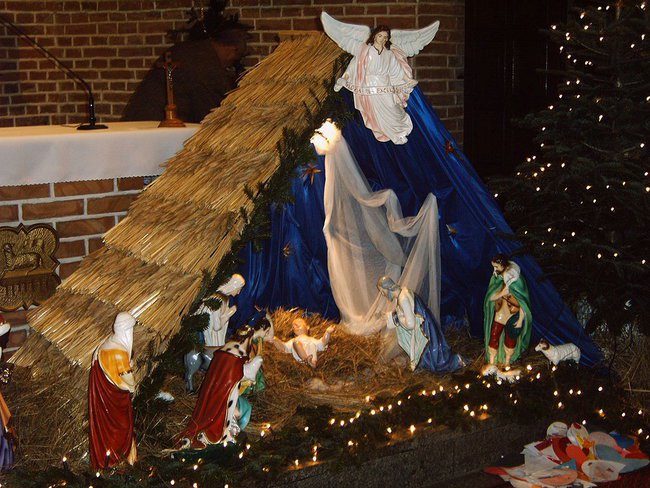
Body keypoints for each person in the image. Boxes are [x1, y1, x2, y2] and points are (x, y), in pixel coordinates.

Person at [321, 12, 439, 145]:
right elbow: (355, 64)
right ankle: (392, 136)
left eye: (385, 37)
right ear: (374, 36)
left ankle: (399, 131)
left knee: (393, 109)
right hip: (370, 87)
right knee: (376, 115)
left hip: (385, 86)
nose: (382, 39)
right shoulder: (365, 51)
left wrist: (407, 80)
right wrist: (345, 78)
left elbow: (396, 70)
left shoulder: (389, 54)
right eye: (380, 36)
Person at [177, 316, 273, 449]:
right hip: (226, 390)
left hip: (217, 387)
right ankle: (219, 433)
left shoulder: (229, 348)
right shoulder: (236, 353)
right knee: (222, 409)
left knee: (219, 408)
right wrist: (254, 366)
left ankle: (221, 430)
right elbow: (237, 374)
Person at [121, 24, 249, 124]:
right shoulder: (206, 62)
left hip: (146, 119)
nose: (228, 66)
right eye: (234, 60)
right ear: (231, 51)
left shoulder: (195, 51)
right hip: (156, 122)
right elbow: (213, 111)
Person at [377, 276, 464, 373]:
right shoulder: (404, 290)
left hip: (423, 331)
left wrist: (396, 319)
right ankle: (425, 364)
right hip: (426, 324)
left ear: (388, 288)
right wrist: (392, 315)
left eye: (382, 291)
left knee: (434, 357)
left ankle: (455, 361)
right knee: (429, 352)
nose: (382, 294)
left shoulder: (403, 300)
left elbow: (410, 324)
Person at [88, 312, 137, 469]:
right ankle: (117, 462)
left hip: (102, 399)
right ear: (126, 330)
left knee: (104, 430)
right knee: (120, 429)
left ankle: (105, 460)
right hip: (115, 399)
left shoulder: (104, 346)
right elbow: (127, 379)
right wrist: (132, 385)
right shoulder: (118, 352)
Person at [482, 254, 532, 375]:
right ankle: (492, 361)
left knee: (510, 338)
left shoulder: (517, 281)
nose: (495, 270)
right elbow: (491, 297)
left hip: (513, 314)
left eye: (496, 267)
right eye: (494, 267)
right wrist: (502, 293)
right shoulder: (498, 279)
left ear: (503, 265)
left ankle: (507, 361)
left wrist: (520, 319)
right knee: (494, 334)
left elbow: (523, 303)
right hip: (501, 312)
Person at [270, 317, 335, 368]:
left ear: (307, 327)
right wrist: (275, 339)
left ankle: (312, 362)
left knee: (308, 344)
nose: (295, 326)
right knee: (296, 343)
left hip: (312, 357)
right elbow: (284, 347)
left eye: (299, 323)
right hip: (302, 360)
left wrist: (327, 332)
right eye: (293, 326)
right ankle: (307, 360)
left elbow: (322, 343)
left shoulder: (311, 340)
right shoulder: (294, 340)